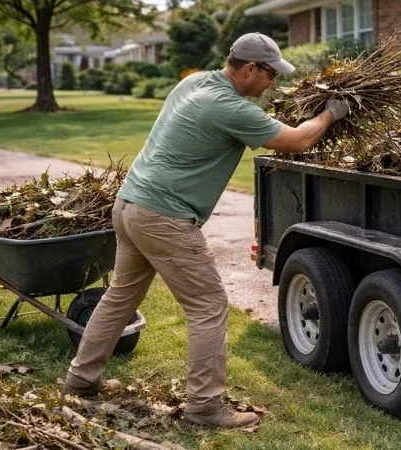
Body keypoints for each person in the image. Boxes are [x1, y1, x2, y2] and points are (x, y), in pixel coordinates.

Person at [61, 32, 350, 429]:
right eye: (269, 75)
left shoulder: (194, 82)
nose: (273, 83)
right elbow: (298, 141)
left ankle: (80, 379)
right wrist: (332, 112)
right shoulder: (230, 108)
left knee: (119, 297)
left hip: (129, 205)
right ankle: (205, 407)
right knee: (208, 307)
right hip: (164, 217)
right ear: (249, 69)